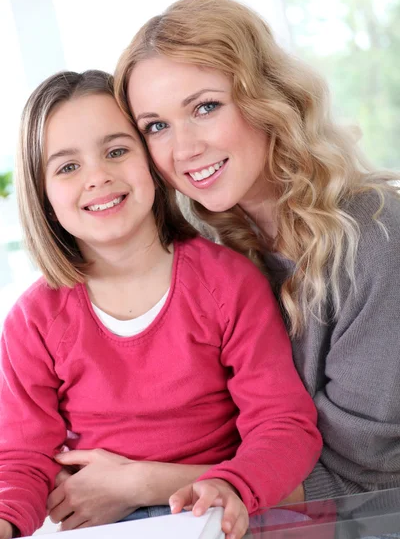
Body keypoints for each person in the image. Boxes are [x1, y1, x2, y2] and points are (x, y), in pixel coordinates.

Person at [0, 69, 321, 539]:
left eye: (116, 151)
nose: (99, 177)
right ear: (43, 195)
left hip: (232, 513)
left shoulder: (229, 283)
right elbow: (21, 457)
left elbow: (283, 424)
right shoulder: (34, 320)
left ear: (151, 164)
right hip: (109, 527)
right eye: (68, 167)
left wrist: (233, 484)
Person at [112, 0, 400, 506]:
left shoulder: (375, 237)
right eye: (155, 126)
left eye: (204, 107)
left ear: (267, 97)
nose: (183, 149)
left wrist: (141, 483)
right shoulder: (214, 249)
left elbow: (366, 480)